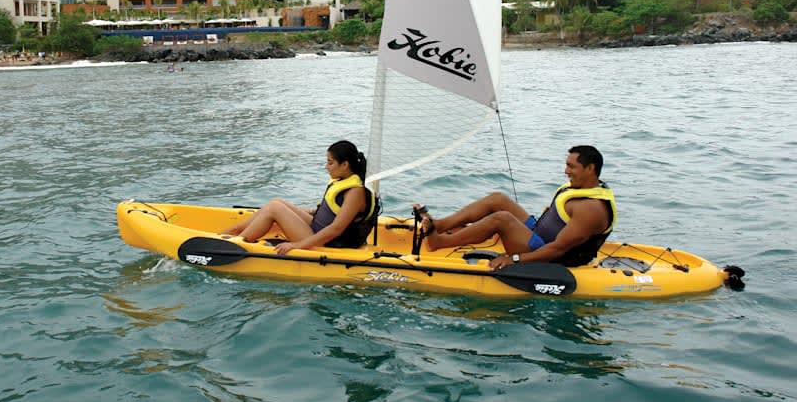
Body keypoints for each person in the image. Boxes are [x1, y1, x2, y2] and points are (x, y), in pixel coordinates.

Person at [416, 145, 617, 269]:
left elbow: (558, 249)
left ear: (591, 169)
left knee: (502, 218)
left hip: (549, 257)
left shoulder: (591, 209)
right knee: (498, 199)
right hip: (538, 235)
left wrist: (515, 259)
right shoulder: (583, 187)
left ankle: (439, 242)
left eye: (571, 167)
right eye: (566, 165)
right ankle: (440, 225)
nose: (566, 171)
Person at [221, 140, 378, 255]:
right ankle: (231, 233)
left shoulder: (355, 192)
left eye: (330, 163)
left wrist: (297, 245)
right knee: (276, 202)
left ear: (344, 165)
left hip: (329, 242)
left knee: (275, 209)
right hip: (317, 228)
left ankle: (234, 245)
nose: (326, 166)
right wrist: (308, 211)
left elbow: (336, 229)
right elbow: (331, 210)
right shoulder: (345, 181)